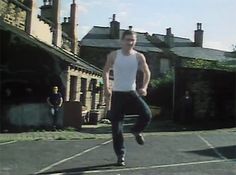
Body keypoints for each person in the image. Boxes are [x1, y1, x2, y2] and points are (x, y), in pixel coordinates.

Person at [103, 30, 152, 166]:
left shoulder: (138, 56)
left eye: (133, 40)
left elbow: (147, 72)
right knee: (116, 128)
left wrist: (144, 87)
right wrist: (106, 87)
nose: (130, 43)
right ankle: (120, 154)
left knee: (146, 114)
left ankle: (136, 130)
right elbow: (106, 71)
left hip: (131, 93)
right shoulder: (114, 55)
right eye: (128, 40)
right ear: (122, 41)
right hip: (117, 94)